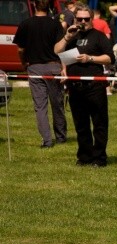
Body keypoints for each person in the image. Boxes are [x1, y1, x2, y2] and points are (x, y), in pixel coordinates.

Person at [54, 4, 115, 167]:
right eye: (79, 19)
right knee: (81, 124)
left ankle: (100, 157)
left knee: (99, 123)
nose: (82, 22)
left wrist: (90, 58)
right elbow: (57, 50)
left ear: (91, 19)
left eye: (86, 19)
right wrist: (67, 37)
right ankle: (85, 156)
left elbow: (110, 58)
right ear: (75, 19)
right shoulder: (71, 35)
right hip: (75, 86)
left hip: (95, 85)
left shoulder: (99, 36)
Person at [12, 0, 67, 149]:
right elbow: (61, 49)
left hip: (35, 68)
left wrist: (23, 64)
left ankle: (47, 141)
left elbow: (20, 50)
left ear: (34, 5)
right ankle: (61, 137)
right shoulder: (55, 23)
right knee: (57, 104)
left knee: (40, 106)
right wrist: (64, 68)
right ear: (49, 6)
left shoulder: (25, 24)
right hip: (53, 67)